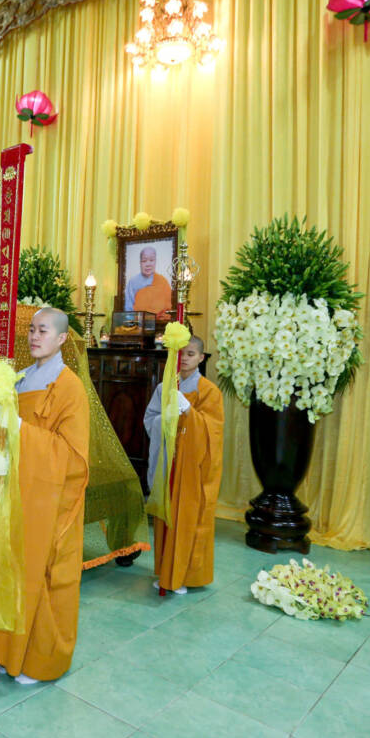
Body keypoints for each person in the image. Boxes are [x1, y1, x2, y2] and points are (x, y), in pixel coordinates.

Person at [0, 307, 90, 684]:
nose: (34, 336)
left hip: (47, 498)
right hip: (15, 490)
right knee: (9, 570)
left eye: (43, 331)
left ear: (62, 338)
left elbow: (73, 456)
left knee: (44, 573)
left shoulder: (70, 387)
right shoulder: (20, 379)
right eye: (32, 329)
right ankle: (6, 650)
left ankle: (40, 660)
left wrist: (22, 430)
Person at [144, 335, 224, 593]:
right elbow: (150, 420)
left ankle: (185, 575)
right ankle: (167, 571)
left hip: (192, 469)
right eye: (180, 354)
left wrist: (189, 412)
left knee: (188, 519)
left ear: (201, 357)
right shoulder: (165, 387)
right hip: (169, 462)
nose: (184, 359)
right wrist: (165, 421)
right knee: (167, 518)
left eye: (190, 354)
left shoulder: (209, 391)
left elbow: (213, 432)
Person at [124, 246, 174, 320]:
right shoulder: (133, 282)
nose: (148, 264)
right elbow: (129, 311)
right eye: (144, 261)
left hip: (159, 324)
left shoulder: (163, 282)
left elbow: (168, 310)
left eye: (151, 260)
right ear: (140, 263)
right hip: (138, 323)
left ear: (155, 261)